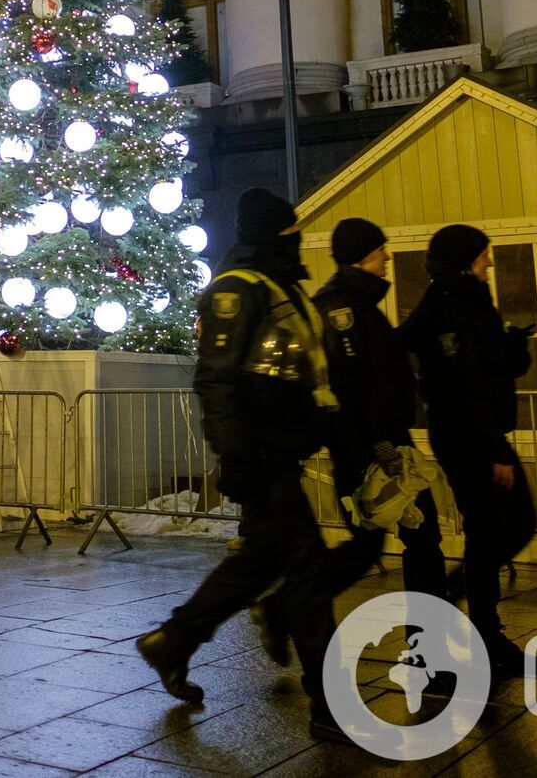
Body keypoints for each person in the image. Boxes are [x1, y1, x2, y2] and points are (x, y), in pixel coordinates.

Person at [136, 188, 346, 745]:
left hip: (277, 448)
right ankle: (331, 705)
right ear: (276, 234)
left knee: (258, 562)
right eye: (290, 229)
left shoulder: (277, 286)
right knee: (308, 572)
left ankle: (173, 641)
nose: (296, 237)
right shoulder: (239, 289)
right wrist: (235, 456)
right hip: (261, 454)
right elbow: (217, 378)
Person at [253, 218, 446, 666]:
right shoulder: (342, 309)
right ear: (362, 255)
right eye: (381, 250)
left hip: (381, 446)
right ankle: (427, 650)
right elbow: (351, 384)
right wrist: (379, 442)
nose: (388, 257)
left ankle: (282, 609)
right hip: (374, 452)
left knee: (383, 545)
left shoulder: (357, 303)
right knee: (412, 540)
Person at [403, 224, 536, 680]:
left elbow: (494, 367)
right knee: (500, 526)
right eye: (484, 255)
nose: (490, 262)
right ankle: (480, 630)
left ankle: (475, 621)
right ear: (464, 259)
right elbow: (466, 383)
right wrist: (494, 447)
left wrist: (515, 345)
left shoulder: (465, 298)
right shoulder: (451, 305)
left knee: (503, 527)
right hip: (469, 437)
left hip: (473, 434)